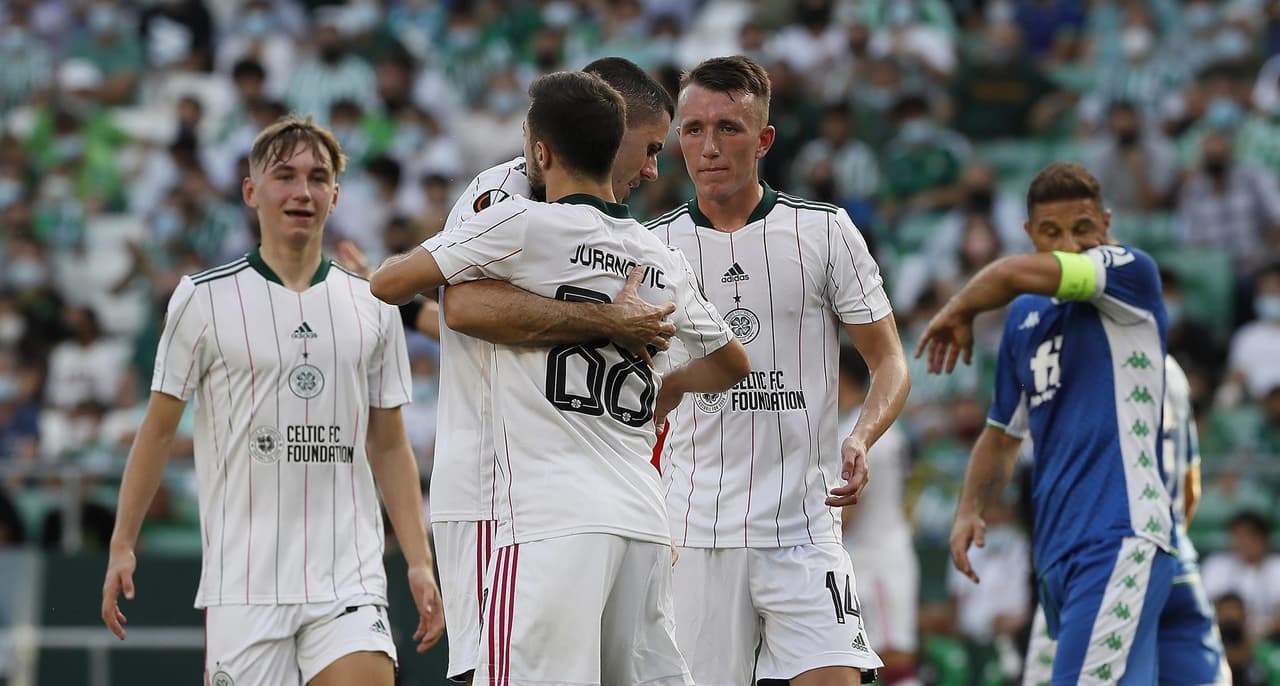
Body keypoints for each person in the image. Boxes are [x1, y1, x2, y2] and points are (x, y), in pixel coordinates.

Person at [369, 70, 751, 685]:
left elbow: (396, 286)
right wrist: (618, 332)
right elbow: (462, 310)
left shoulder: (534, 224)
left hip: (547, 505)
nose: (656, 169)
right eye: (652, 148)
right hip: (567, 502)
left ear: (545, 146)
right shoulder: (636, 247)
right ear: (612, 132)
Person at [100, 116, 444, 686]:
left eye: (317, 177)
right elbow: (158, 432)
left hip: (348, 580)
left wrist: (418, 561)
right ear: (251, 191)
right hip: (245, 585)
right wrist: (122, 544)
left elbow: (388, 443)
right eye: (284, 176)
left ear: (335, 196)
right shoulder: (201, 299)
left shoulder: (374, 303)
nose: (302, 191)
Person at [645, 55, 912, 686]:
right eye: (693, 129)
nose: (709, 147)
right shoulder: (650, 247)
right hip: (694, 531)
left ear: (763, 140)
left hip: (805, 523)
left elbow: (890, 360)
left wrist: (861, 434)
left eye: (728, 128)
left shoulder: (825, 232)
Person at [919, 162, 1182, 683]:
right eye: (1052, 232)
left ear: (1105, 224)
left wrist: (959, 308)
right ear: (1029, 234)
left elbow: (1010, 274)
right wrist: (969, 507)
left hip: (1121, 534)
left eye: (1083, 228)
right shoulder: (1023, 319)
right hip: (1056, 554)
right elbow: (1000, 434)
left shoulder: (1128, 272)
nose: (1070, 244)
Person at [1021, 356, 1230, 685]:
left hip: (1097, 561)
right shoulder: (1171, 369)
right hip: (1172, 554)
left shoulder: (1076, 362)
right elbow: (1192, 483)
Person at [837, 346, 920, 685]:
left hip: (878, 560)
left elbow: (847, 512)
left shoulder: (858, 431)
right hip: (871, 554)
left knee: (892, 658)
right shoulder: (878, 425)